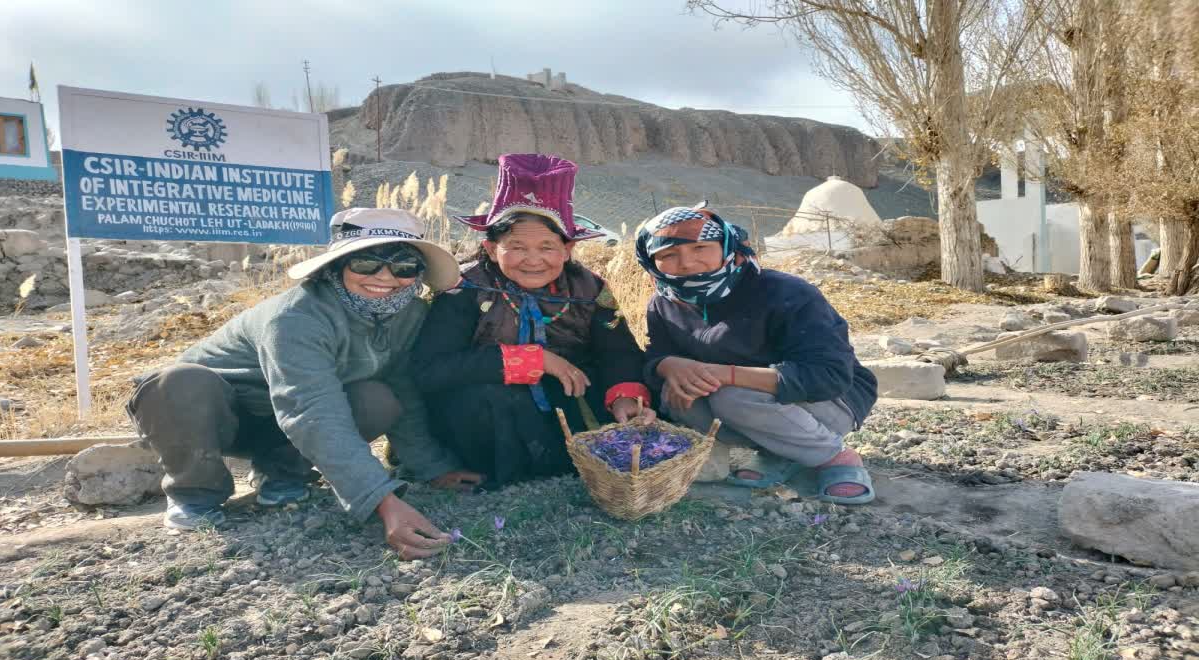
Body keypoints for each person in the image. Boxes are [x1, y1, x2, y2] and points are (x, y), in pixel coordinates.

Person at [127, 208, 463, 559]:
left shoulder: (409, 315)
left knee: (377, 398)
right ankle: (195, 493)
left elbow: (404, 392)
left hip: (286, 423)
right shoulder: (295, 317)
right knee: (180, 383)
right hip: (217, 418)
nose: (384, 276)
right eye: (365, 264)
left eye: (403, 266)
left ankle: (284, 474)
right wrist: (383, 501)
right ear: (337, 266)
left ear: (417, 274)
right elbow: (310, 409)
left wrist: (432, 468)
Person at [412, 154, 656, 490]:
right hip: (485, 412)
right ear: (490, 247)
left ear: (568, 248)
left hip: (563, 400)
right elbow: (430, 370)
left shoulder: (590, 289)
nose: (533, 260)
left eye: (547, 247)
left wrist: (624, 397)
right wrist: (532, 360)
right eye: (516, 246)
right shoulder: (463, 288)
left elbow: (617, 351)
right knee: (486, 399)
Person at [634, 203, 878, 504]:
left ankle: (836, 457)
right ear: (650, 261)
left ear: (726, 246)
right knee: (680, 396)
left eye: (700, 247)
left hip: (830, 402)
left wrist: (726, 375)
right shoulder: (663, 304)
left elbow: (829, 375)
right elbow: (656, 353)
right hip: (751, 406)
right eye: (668, 255)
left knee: (732, 396)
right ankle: (781, 452)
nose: (686, 263)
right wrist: (667, 366)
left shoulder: (786, 292)